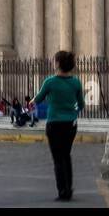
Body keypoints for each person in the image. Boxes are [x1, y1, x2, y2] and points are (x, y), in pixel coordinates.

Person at [33, 50, 86, 202]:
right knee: (66, 156)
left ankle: (62, 191)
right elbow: (81, 104)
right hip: (70, 124)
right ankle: (68, 188)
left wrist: (35, 101)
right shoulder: (76, 82)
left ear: (57, 63)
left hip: (54, 123)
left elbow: (38, 99)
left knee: (57, 159)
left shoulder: (50, 82)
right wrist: (71, 112)